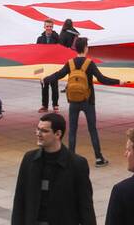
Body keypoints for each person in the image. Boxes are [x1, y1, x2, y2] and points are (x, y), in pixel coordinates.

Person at [43, 37, 124, 166]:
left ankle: (70, 158)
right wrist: (119, 81)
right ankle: (98, 158)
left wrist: (45, 79)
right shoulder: (89, 63)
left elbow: (58, 75)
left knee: (72, 130)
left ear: (76, 48)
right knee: (92, 130)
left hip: (73, 101)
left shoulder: (70, 63)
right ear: (86, 48)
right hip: (88, 101)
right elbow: (102, 79)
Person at [11, 113, 96, 225]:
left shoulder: (77, 164)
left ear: (58, 134)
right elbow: (19, 200)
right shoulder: (29, 159)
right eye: (38, 129)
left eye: (44, 131)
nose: (38, 134)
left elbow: (86, 206)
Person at [37, 19, 61, 113]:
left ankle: (55, 105)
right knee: (44, 86)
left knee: (54, 87)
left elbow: (60, 51)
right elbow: (36, 52)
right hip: (43, 66)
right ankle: (44, 106)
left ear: (53, 27)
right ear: (44, 27)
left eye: (50, 26)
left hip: (53, 65)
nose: (49, 28)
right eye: (47, 26)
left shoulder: (57, 38)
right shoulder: (40, 38)